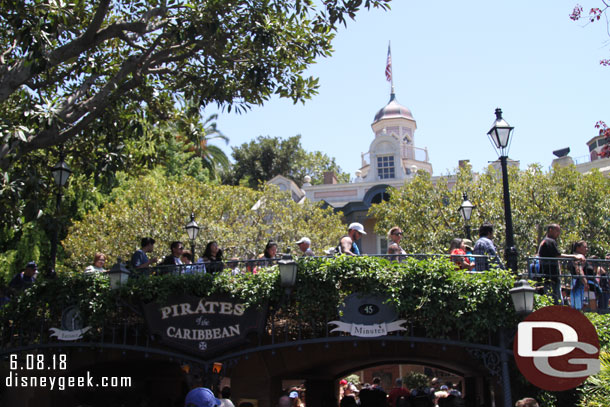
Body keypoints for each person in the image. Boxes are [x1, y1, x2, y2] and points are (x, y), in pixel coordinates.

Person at [537, 224, 585, 304]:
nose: (558, 233)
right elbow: (558, 255)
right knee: (556, 301)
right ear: (550, 230)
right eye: (557, 231)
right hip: (551, 276)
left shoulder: (544, 241)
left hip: (547, 276)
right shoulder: (549, 241)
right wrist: (575, 256)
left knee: (552, 299)